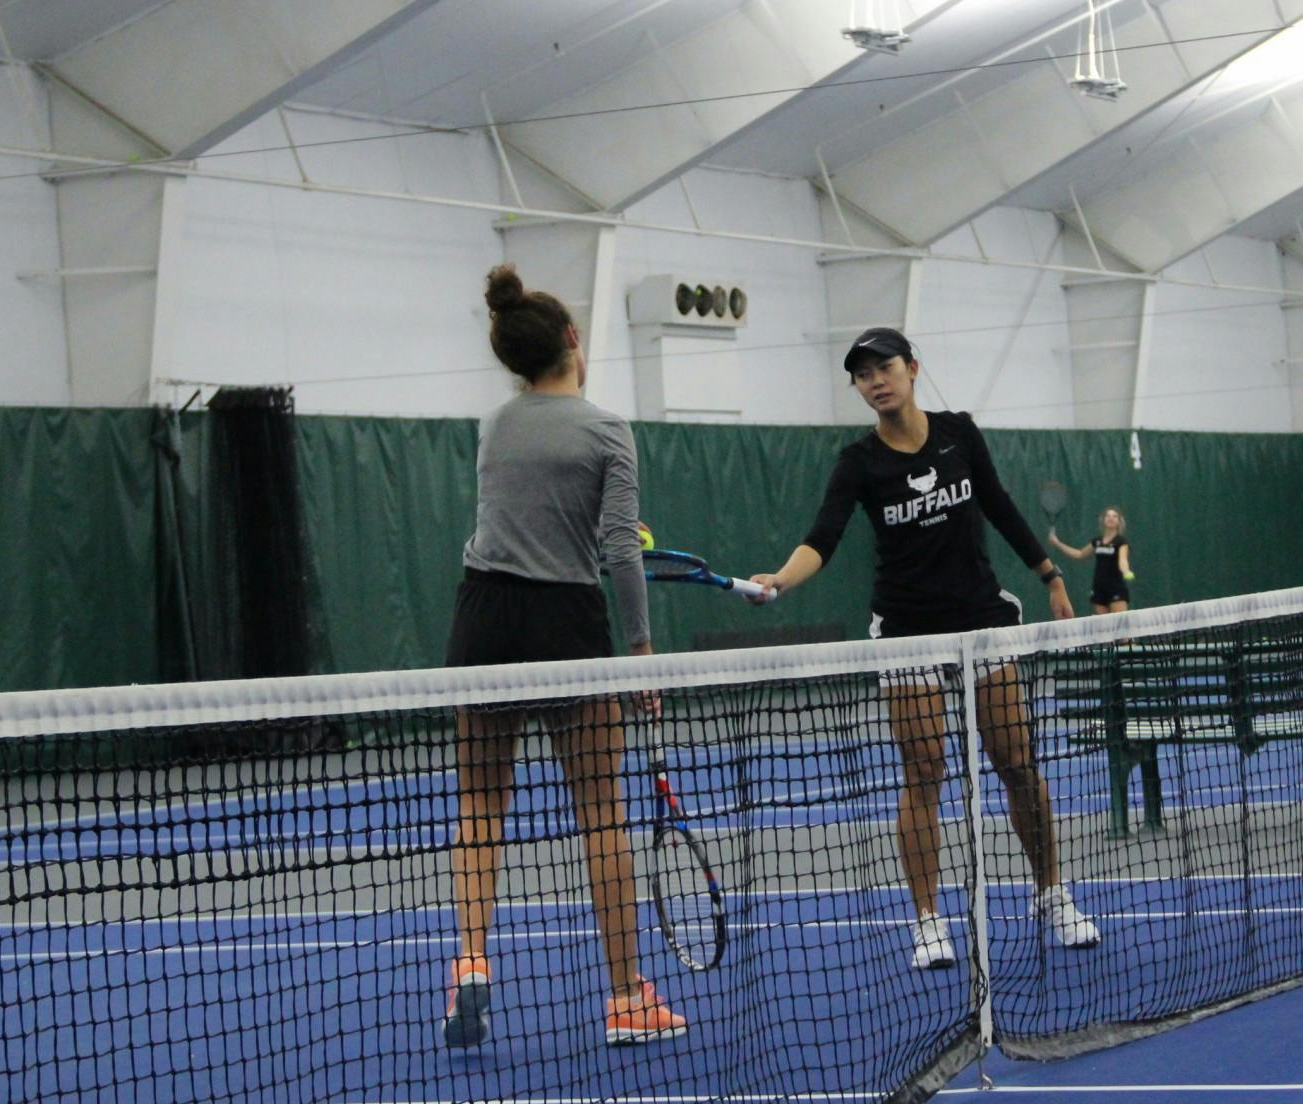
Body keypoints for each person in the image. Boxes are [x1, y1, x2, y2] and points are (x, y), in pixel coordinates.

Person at [747, 327, 1100, 969]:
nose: (875, 379)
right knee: (923, 774)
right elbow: (820, 540)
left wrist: (1049, 576)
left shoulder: (958, 433)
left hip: (982, 620)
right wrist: (779, 578)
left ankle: (1051, 893)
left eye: (884, 366)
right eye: (862, 374)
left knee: (1017, 763)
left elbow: (998, 505)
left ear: (912, 368)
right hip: (906, 631)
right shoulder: (858, 463)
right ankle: (929, 920)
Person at [441, 265, 686, 1049]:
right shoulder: (608, 430)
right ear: (573, 341)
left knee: (480, 804)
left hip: (482, 616)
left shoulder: (494, 426)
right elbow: (619, 549)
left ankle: (472, 961)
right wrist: (640, 650)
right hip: (566, 623)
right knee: (600, 815)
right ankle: (624, 997)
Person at [1047, 506, 1134, 613]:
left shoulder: (1121, 541)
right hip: (1099, 589)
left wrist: (1125, 571)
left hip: (1116, 588)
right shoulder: (1097, 542)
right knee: (1103, 628)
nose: (1111, 518)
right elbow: (1079, 554)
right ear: (1103, 520)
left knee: (1120, 625)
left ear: (1119, 522)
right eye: (1108, 516)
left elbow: (1123, 560)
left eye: (1114, 516)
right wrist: (1057, 543)